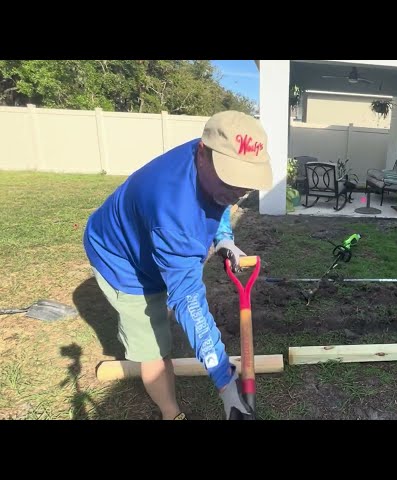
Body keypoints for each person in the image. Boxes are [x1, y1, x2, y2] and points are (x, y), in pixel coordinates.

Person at [83, 110, 272, 420]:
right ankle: (171, 413)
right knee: (153, 346)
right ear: (202, 153)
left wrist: (223, 236)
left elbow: (222, 195)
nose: (238, 193)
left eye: (245, 186)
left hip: (151, 234)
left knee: (171, 298)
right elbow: (189, 302)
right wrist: (226, 384)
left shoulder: (212, 154)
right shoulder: (173, 214)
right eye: (231, 180)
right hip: (120, 259)